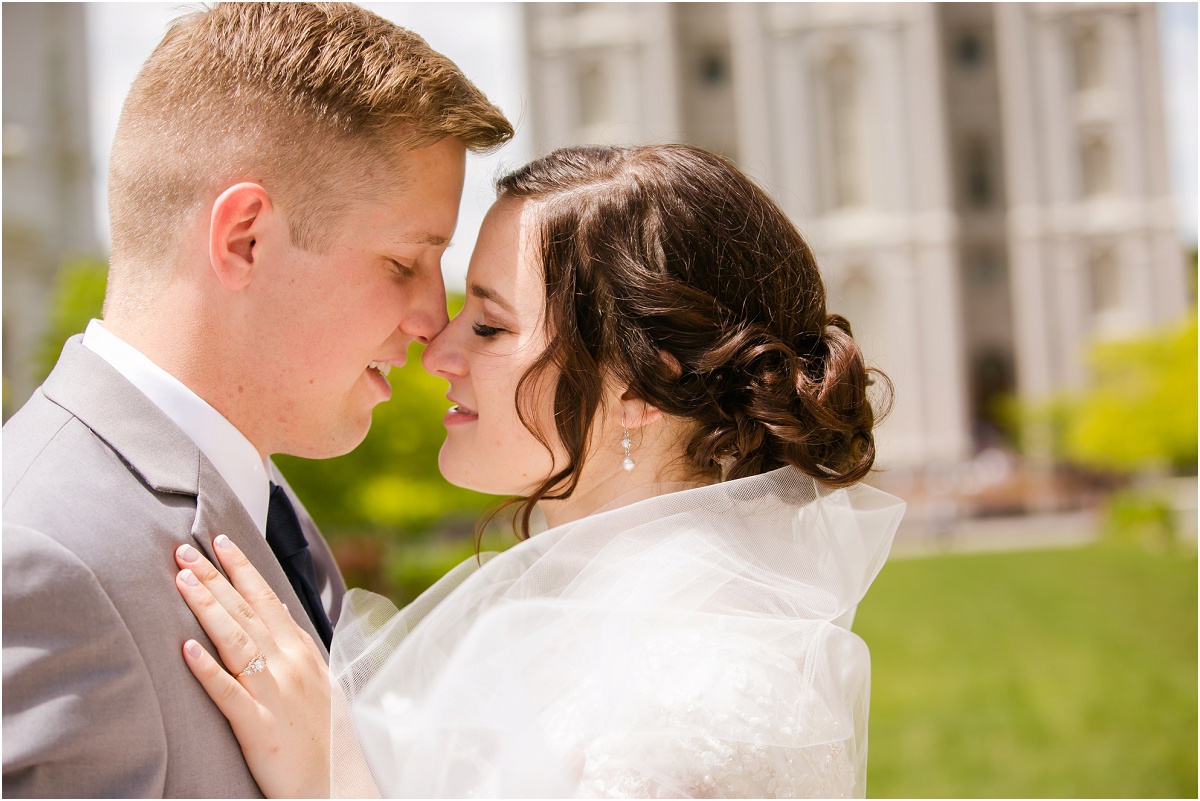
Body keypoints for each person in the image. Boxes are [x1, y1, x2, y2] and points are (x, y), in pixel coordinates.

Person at [173, 144, 905, 798]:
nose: (438, 353)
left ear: (643, 388)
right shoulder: (586, 624)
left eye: (490, 325)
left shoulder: (696, 695)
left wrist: (327, 784)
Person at [1, 3, 512, 797]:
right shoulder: (38, 565)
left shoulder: (264, 502)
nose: (431, 321)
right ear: (244, 238)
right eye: (404, 261)